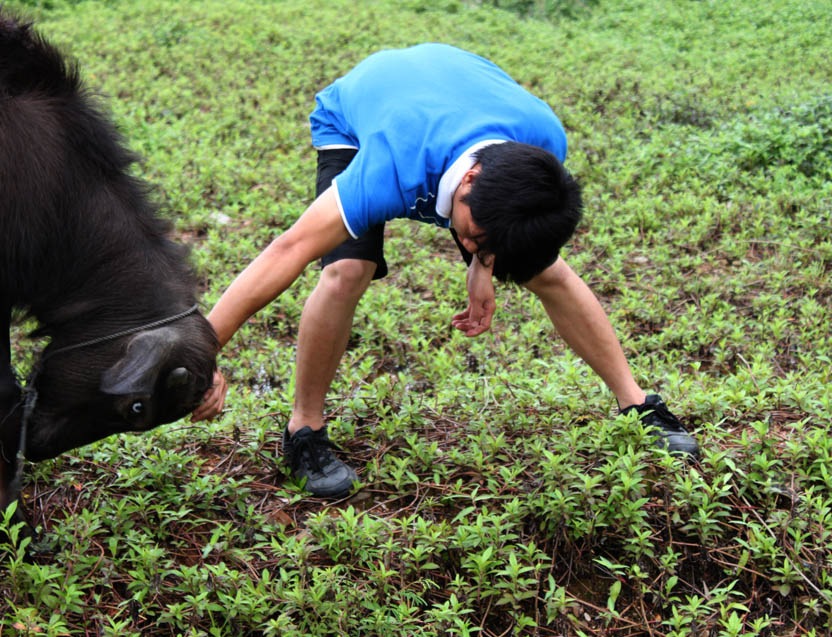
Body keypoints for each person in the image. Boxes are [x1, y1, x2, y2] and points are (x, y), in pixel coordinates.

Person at [192, 43, 698, 497]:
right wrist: (199, 354)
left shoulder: (542, 149)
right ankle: (304, 428)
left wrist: (483, 263)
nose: (475, 246)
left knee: (545, 270)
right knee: (348, 269)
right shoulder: (390, 165)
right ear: (469, 180)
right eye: (474, 237)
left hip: (456, 89)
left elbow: (507, 234)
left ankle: (637, 404)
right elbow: (288, 249)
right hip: (361, 112)